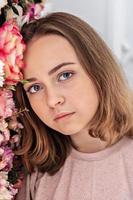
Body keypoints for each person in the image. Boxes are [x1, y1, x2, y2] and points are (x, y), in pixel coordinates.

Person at [15, 12, 133, 200]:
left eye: (65, 75)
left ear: (98, 70)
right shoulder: (36, 173)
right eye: (35, 87)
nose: (52, 100)